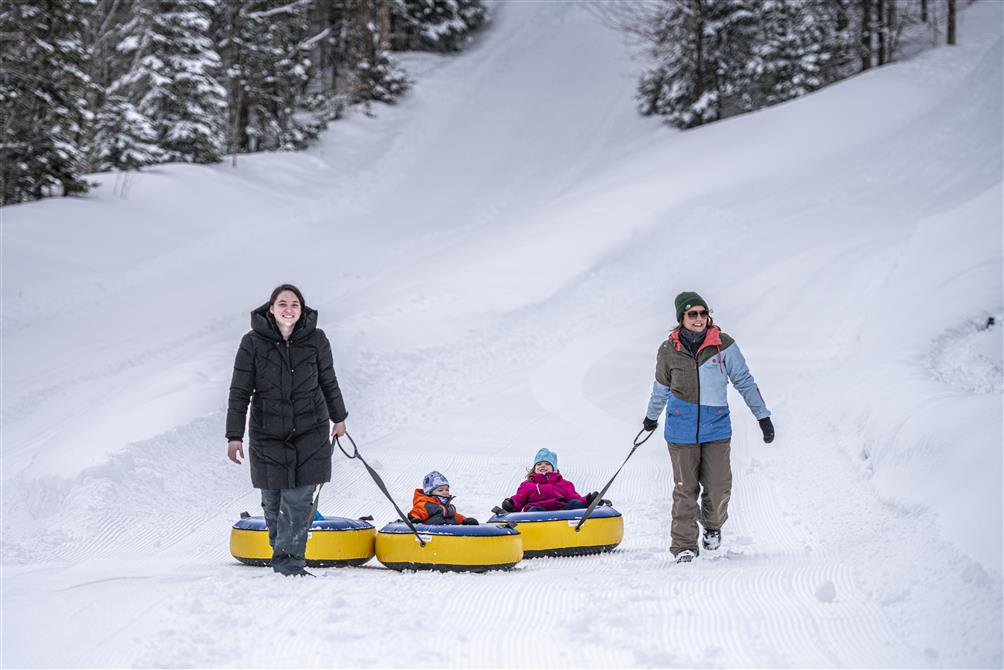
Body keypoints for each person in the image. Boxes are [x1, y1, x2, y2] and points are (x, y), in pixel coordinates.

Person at [226, 284, 348, 576]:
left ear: (302, 310)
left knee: (298, 499)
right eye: (283, 304)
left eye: (295, 304)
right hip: (267, 431)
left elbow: (328, 380)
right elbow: (239, 391)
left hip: (311, 428)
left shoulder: (317, 340)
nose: (289, 309)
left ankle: (290, 564)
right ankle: (282, 552)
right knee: (273, 500)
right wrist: (234, 436)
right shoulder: (252, 343)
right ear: (271, 309)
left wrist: (339, 417)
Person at [643, 291, 773, 564]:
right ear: (682, 318)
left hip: (716, 429)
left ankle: (713, 525)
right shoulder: (669, 350)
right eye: (692, 314)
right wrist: (651, 417)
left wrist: (762, 416)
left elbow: (744, 381)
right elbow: (660, 389)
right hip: (680, 430)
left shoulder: (723, 345)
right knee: (684, 489)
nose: (699, 318)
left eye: (703, 313)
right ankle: (684, 546)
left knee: (718, 486)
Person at [500, 448, 600, 513]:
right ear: (534, 468)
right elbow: (519, 499)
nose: (543, 466)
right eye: (539, 464)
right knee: (533, 510)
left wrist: (588, 500)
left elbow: (575, 498)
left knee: (574, 503)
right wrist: (511, 504)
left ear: (554, 468)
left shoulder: (563, 484)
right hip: (538, 514)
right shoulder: (527, 485)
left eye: (547, 464)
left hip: (561, 513)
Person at [408, 471, 479, 525]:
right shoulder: (426, 505)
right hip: (432, 536)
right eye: (440, 490)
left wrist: (465, 520)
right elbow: (416, 512)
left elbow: (455, 516)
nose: (445, 492)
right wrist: (415, 519)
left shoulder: (448, 507)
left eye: (447, 489)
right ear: (429, 493)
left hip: (448, 537)